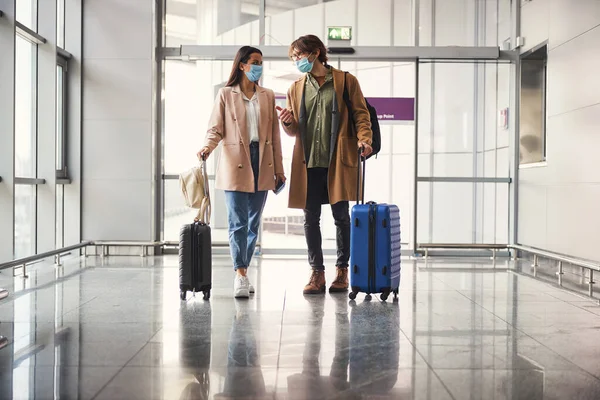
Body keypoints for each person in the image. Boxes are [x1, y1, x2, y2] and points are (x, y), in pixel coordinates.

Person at [277, 35, 373, 294]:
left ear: (316, 52)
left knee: (341, 217)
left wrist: (365, 140)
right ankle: (317, 273)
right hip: (308, 162)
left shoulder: (345, 81)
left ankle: (342, 271)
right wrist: (287, 121)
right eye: (293, 57)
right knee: (310, 219)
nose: (297, 61)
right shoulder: (295, 88)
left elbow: (361, 115)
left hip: (337, 161)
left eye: (299, 55)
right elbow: (295, 129)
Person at [198, 46, 285, 298]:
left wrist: (279, 169)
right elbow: (215, 128)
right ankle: (240, 274)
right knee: (237, 222)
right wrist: (207, 147)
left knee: (253, 223)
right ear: (242, 65)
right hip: (236, 159)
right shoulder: (226, 94)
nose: (259, 67)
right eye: (254, 62)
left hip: (263, 160)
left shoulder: (267, 95)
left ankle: (244, 271)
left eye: (261, 62)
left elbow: (275, 137)